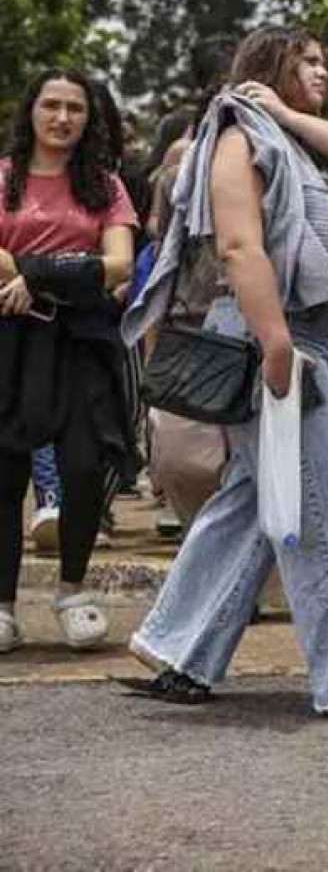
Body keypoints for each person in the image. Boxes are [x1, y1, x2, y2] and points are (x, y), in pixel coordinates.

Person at [122, 26, 328, 719]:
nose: (322, 72)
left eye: (325, 61)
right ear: (267, 67)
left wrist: (290, 112)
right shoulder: (237, 137)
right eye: (306, 60)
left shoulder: (292, 137)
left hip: (307, 336)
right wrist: (276, 342)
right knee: (324, 507)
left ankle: (179, 645)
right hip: (272, 335)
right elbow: (241, 245)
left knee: (255, 501)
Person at [0, 69, 136, 653]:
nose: (61, 118)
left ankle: (72, 590)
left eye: (74, 108)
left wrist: (35, 275)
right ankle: (3, 607)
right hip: (10, 341)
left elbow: (120, 264)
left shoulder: (106, 186)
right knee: (5, 475)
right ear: (30, 111)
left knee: (83, 465)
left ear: (89, 118)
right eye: (51, 105)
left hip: (83, 344)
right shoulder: (3, 178)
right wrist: (69, 271)